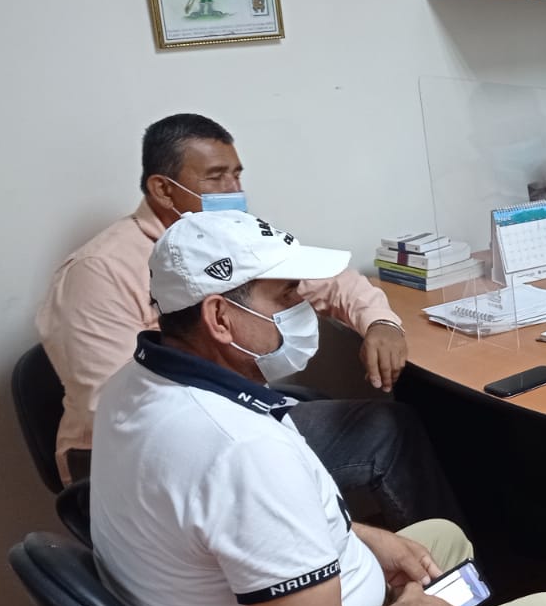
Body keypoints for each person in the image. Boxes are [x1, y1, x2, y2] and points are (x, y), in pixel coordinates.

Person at [90, 210, 546, 606]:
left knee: (442, 542)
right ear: (220, 317)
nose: (302, 306)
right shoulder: (241, 452)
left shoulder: (137, 384)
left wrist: (359, 537)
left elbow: (228, 532)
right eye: (285, 295)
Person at [37, 113, 461, 528]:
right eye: (216, 177)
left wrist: (381, 322)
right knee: (386, 429)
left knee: (325, 405)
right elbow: (121, 411)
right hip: (146, 455)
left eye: (237, 175)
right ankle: (440, 566)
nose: (233, 190)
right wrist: (259, 440)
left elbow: (330, 280)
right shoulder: (99, 271)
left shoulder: (226, 233)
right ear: (164, 189)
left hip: (223, 409)